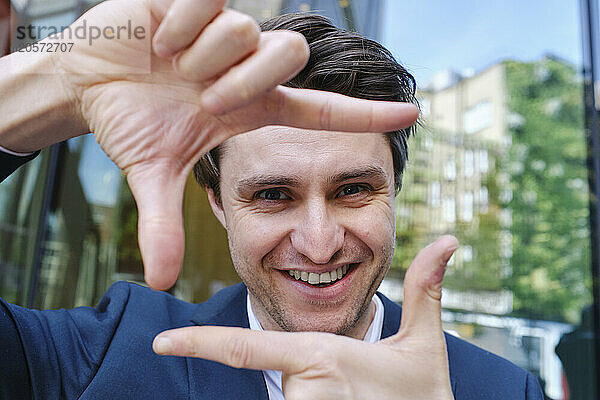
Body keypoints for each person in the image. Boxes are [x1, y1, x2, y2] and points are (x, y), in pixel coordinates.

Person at [0, 1, 543, 399]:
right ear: (217, 203)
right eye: (273, 195)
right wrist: (58, 81)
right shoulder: (107, 354)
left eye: (353, 190)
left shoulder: (501, 389)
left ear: (393, 190)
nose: (320, 244)